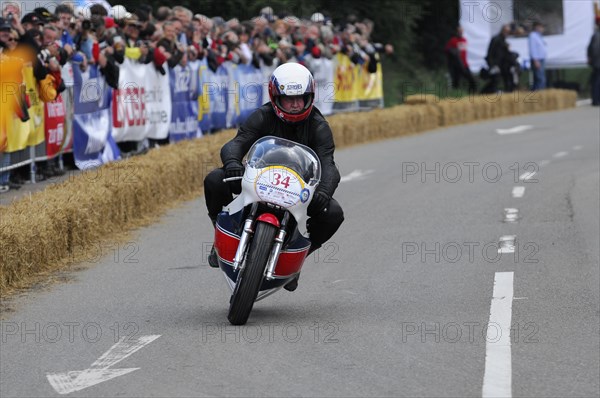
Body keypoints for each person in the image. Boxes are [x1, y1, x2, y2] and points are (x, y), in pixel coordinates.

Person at [203, 62, 344, 291]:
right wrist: (231, 163)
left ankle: (297, 261)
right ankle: (217, 238)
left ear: (310, 96)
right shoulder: (262, 116)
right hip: (259, 180)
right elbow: (237, 143)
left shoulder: (319, 126)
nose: (296, 104)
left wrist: (324, 192)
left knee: (334, 213)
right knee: (214, 180)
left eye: (301, 98)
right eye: (289, 99)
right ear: (276, 97)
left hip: (298, 191)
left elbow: (328, 164)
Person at [444, 25, 476, 92]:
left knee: (472, 79)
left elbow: (464, 53)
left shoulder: (464, 40)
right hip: (456, 65)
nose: (460, 33)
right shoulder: (453, 40)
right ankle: (455, 96)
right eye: (459, 31)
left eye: (461, 31)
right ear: (456, 32)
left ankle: (471, 94)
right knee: (456, 82)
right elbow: (446, 49)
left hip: (464, 64)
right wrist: (453, 51)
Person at [481, 24, 511, 94]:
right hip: (494, 64)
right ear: (503, 31)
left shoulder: (504, 41)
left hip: (501, 64)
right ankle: (484, 93)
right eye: (506, 31)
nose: (507, 33)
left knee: (498, 79)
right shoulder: (496, 39)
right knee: (495, 79)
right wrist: (491, 64)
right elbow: (490, 52)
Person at [528, 21, 547, 90]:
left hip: (541, 59)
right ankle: (539, 95)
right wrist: (535, 60)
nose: (542, 28)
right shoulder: (533, 36)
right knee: (540, 79)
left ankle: (536, 95)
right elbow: (533, 49)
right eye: (541, 27)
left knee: (538, 79)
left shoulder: (539, 36)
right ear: (536, 27)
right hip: (537, 60)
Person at [587, 16, 600, 106]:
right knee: (597, 82)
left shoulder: (596, 35)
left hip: (596, 62)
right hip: (598, 62)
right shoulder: (597, 35)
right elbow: (594, 49)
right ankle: (596, 100)